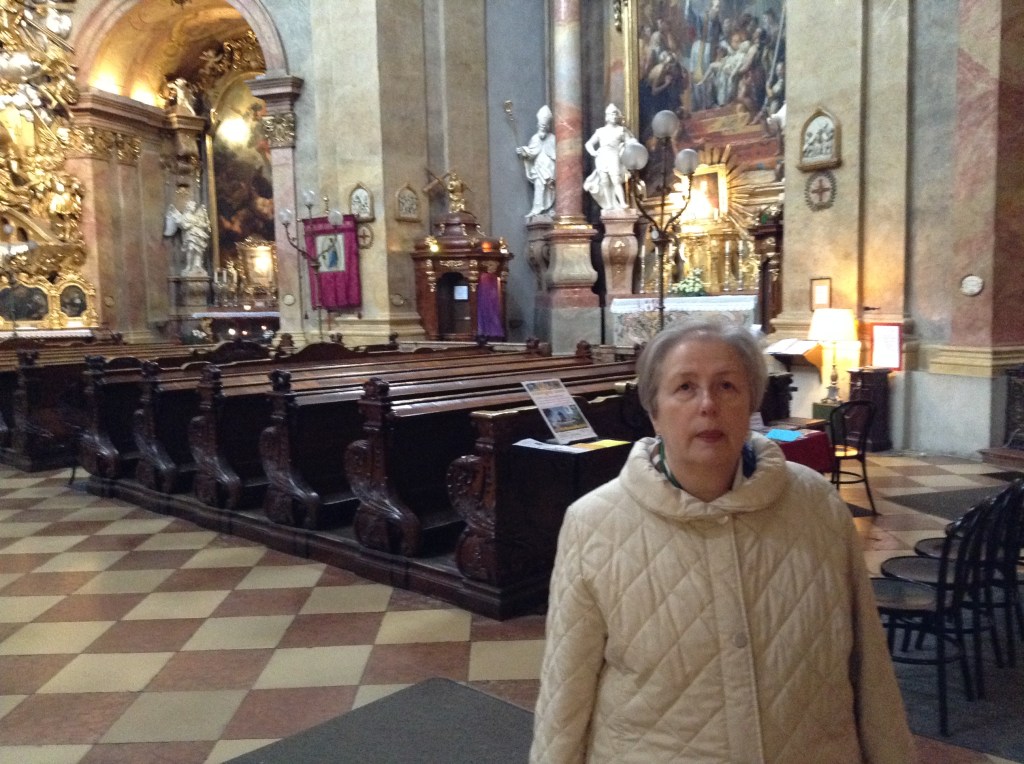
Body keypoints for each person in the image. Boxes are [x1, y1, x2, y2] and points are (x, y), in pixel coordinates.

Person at [530, 318, 912, 763]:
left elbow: (869, 667)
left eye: (727, 386)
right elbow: (565, 692)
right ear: (654, 411)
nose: (708, 405)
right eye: (685, 387)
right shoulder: (594, 523)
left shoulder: (816, 504)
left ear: (751, 402)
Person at [583, 104, 633, 211]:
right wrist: (593, 152)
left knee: (616, 180)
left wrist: (627, 147)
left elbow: (631, 142)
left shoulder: (621, 130)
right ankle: (609, 204)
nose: (614, 117)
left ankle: (622, 202)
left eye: (615, 114)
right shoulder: (600, 131)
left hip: (614, 155)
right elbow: (589, 144)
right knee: (604, 181)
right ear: (607, 116)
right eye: (611, 114)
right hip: (602, 157)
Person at [516, 104, 556, 220]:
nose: (543, 128)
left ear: (548, 126)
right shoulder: (535, 138)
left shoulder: (552, 138)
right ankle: (537, 209)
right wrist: (523, 151)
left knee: (550, 189)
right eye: (541, 126)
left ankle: (550, 209)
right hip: (538, 168)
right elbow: (531, 152)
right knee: (539, 186)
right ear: (538, 125)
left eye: (545, 126)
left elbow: (557, 156)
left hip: (550, 169)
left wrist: (554, 173)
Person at [164, 200, 212, 276]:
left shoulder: (195, 217)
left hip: (198, 235)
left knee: (198, 251)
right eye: (193, 206)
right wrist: (191, 225)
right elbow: (183, 226)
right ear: (189, 207)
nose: (194, 208)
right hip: (190, 236)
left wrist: (205, 224)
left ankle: (197, 266)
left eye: (194, 206)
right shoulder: (185, 216)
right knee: (190, 249)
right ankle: (189, 266)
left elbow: (201, 224)